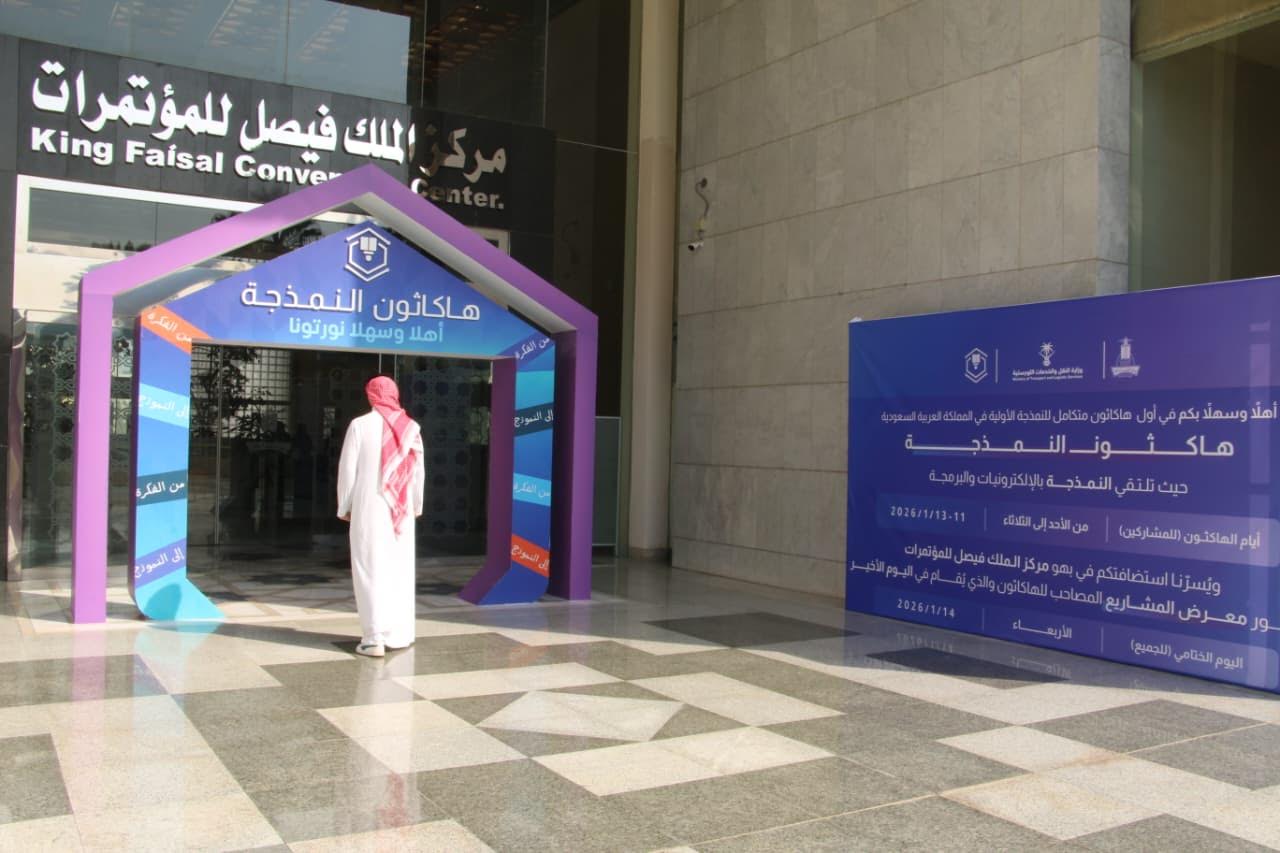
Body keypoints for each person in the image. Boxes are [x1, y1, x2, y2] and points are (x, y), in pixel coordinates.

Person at [337, 376, 425, 657]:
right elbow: (418, 472)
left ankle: (373, 638)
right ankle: (399, 635)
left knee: (369, 567)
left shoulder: (359, 425)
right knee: (399, 569)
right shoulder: (411, 427)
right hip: (402, 510)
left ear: (371, 396)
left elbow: (348, 470)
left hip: (370, 506)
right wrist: (416, 505)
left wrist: (344, 505)